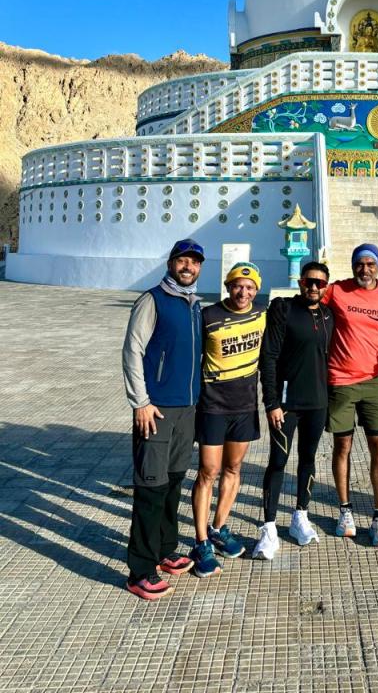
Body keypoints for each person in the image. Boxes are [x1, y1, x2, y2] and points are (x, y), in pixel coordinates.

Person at [122, 238, 205, 600]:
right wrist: (140, 401)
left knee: (173, 482)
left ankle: (165, 549)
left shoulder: (195, 305)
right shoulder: (152, 300)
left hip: (186, 409)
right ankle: (140, 570)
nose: (188, 267)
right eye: (183, 260)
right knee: (150, 487)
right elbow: (133, 349)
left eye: (195, 262)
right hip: (156, 409)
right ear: (171, 263)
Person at [252, 261, 335, 561]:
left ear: (326, 286)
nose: (313, 287)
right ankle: (269, 527)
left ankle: (301, 515)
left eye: (319, 283)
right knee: (278, 461)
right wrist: (271, 402)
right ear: (300, 282)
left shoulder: (328, 315)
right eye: (309, 281)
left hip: (317, 403)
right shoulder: (283, 308)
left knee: (308, 459)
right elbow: (269, 357)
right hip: (286, 404)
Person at [190, 262, 265, 577]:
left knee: (233, 469)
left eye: (249, 287)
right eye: (237, 286)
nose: (242, 292)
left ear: (256, 290)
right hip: (212, 406)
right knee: (208, 471)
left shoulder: (262, 315)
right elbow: (190, 355)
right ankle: (201, 541)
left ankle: (219, 528)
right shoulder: (208, 316)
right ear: (227, 286)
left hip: (245, 406)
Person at [323, 243, 378, 547]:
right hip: (340, 380)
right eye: (360, 264)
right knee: (342, 445)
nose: (365, 269)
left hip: (373, 381)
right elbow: (312, 302)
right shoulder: (337, 291)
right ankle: (345, 510)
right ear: (353, 265)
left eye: (370, 264)